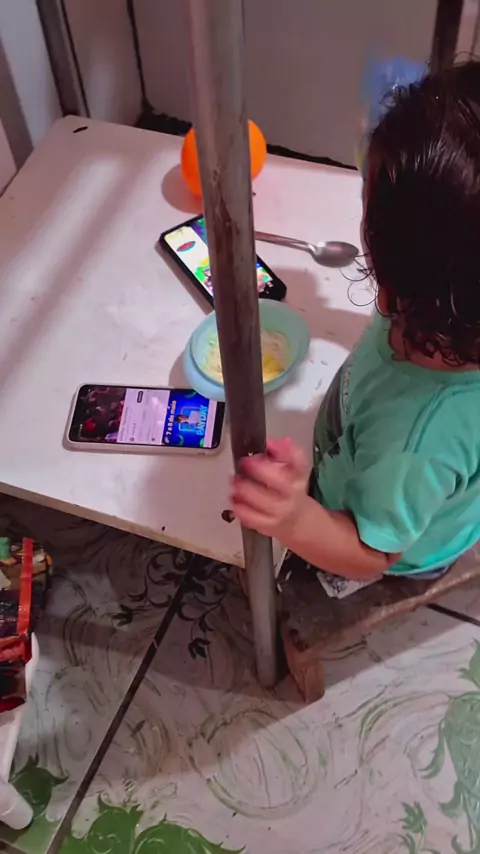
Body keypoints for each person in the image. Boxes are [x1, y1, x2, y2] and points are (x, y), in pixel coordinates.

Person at [231, 61, 480, 582]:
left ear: (392, 278)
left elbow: (370, 555)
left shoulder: (415, 441)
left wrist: (296, 519)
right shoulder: (443, 310)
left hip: (384, 536)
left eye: (366, 207)